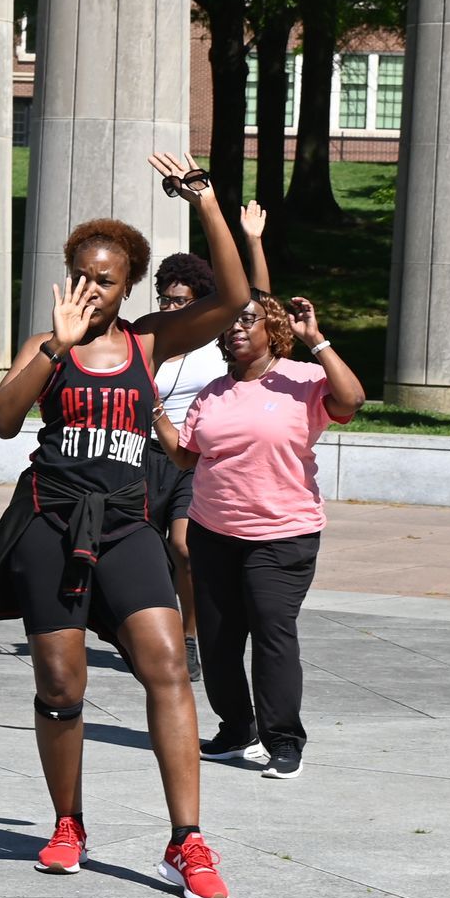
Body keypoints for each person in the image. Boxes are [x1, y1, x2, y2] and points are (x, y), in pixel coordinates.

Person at [0, 152, 249, 898]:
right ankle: (68, 823)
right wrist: (53, 346)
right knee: (59, 682)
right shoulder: (48, 346)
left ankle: (187, 840)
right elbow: (0, 420)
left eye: (106, 279)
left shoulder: (149, 342)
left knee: (166, 664)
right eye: (82, 276)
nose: (92, 288)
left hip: (125, 525)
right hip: (50, 524)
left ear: (128, 285)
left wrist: (206, 202)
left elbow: (237, 297)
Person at [156, 292, 365, 780]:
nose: (236, 328)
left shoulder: (303, 380)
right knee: (218, 640)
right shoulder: (212, 393)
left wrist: (317, 341)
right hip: (213, 531)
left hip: (282, 534)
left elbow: (352, 399)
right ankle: (237, 730)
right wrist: (155, 413)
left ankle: (284, 741)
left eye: (247, 320)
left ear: (272, 328)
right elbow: (185, 457)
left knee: (273, 635)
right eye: (229, 322)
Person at [143, 201, 274, 689]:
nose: (170, 308)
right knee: (145, 553)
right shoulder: (152, 339)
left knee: (184, 548)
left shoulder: (217, 338)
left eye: (180, 301)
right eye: (165, 299)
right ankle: (146, 631)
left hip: (192, 459)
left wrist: (253, 241)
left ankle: (190, 637)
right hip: (145, 455)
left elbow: (260, 302)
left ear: (199, 301)